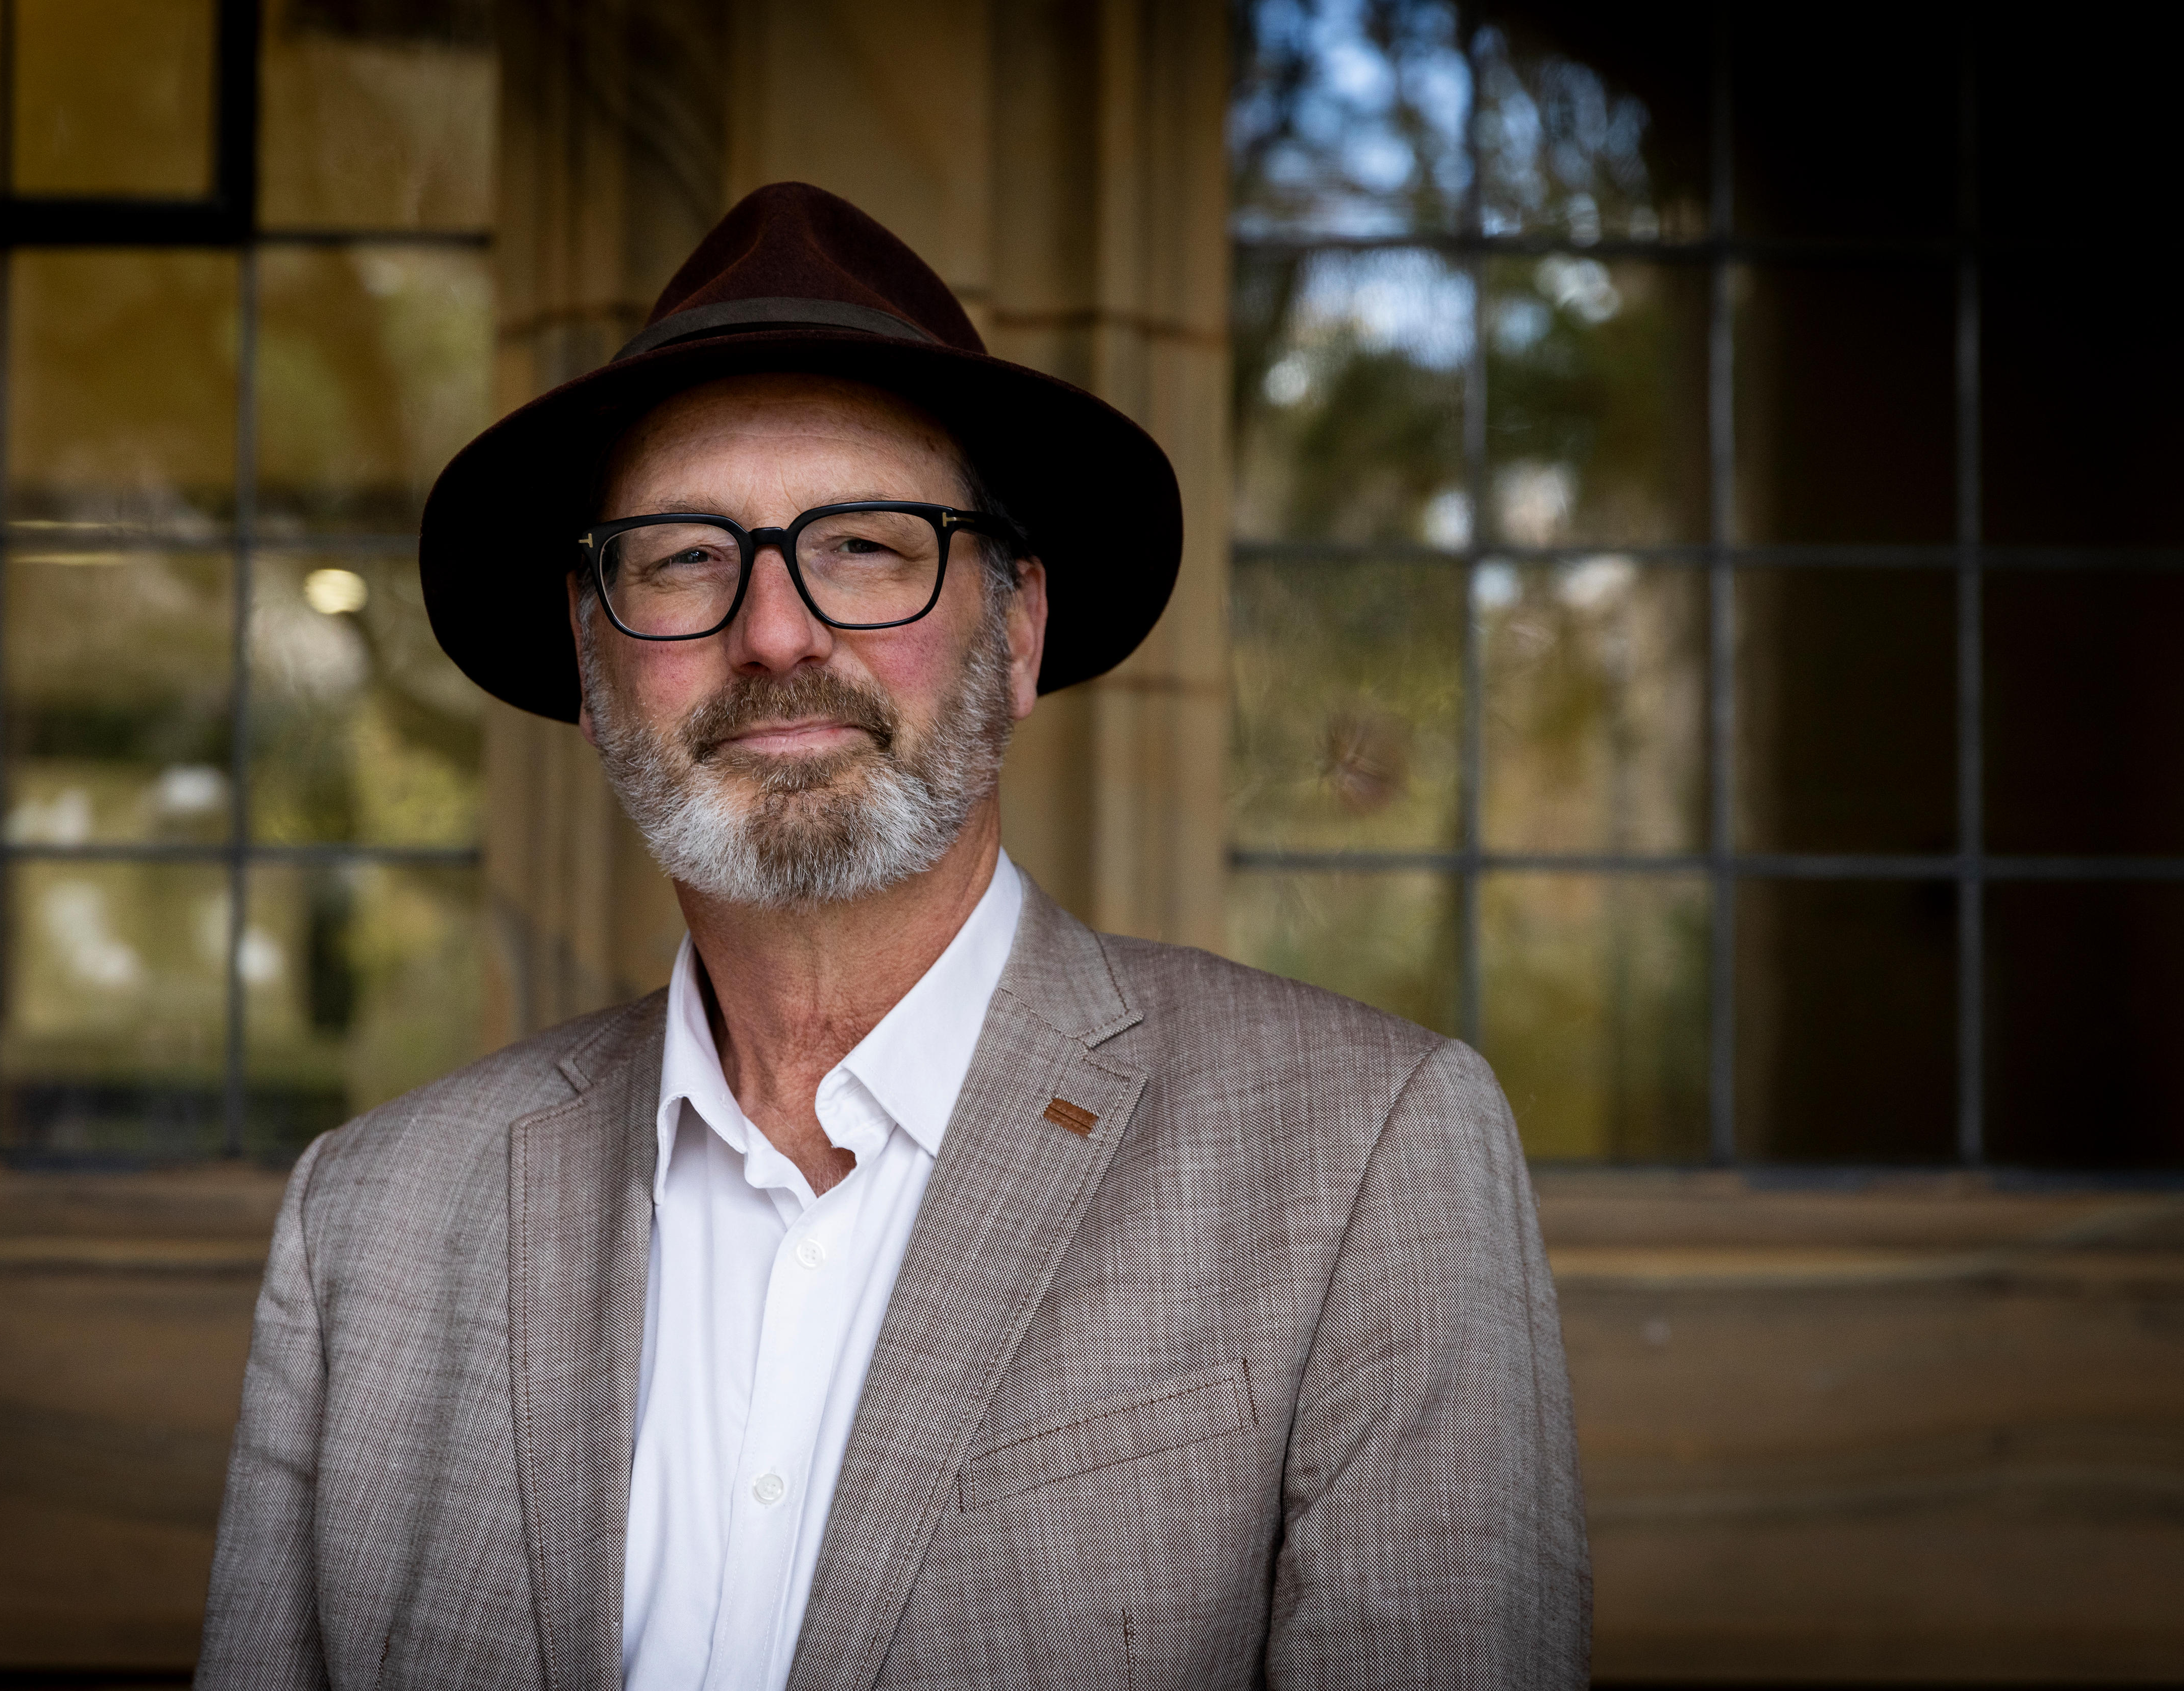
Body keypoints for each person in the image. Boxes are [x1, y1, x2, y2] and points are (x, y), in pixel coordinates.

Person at [198, 182, 1589, 1690]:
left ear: (1019, 632)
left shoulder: (1364, 1157)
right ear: (595, 676)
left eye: (866, 546)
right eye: (682, 558)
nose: (778, 631)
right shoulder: (372, 1226)